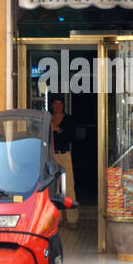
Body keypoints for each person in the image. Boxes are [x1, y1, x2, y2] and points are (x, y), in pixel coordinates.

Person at [50, 97, 79, 229]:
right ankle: (58, 218)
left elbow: (72, 137)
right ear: (51, 105)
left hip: (64, 155)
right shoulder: (48, 119)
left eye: (60, 104)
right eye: (55, 104)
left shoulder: (69, 119)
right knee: (54, 188)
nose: (57, 106)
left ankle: (72, 219)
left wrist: (59, 130)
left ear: (63, 106)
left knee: (68, 187)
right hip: (51, 155)